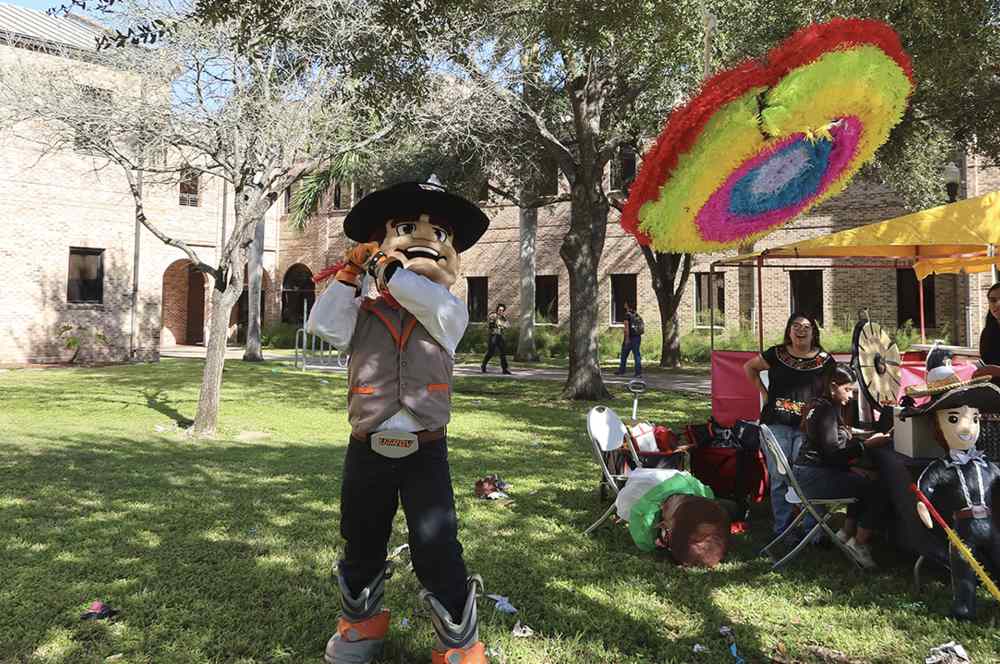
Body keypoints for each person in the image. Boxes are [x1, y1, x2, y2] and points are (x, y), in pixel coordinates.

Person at [307, 179, 491, 664]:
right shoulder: (362, 310)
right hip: (367, 446)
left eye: (439, 233)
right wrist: (350, 271)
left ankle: (458, 644)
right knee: (361, 535)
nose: (425, 239)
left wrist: (386, 266)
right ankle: (359, 627)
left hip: (424, 449)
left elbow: (415, 292)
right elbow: (323, 324)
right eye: (406, 229)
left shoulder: (449, 309)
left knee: (437, 545)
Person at [743, 312, 834, 538]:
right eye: (796, 326)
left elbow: (834, 388)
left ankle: (812, 530)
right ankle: (783, 530)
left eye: (806, 326)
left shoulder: (825, 360)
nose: (801, 330)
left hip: (809, 428)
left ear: (814, 332)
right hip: (777, 424)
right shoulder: (776, 353)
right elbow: (749, 367)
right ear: (789, 330)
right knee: (780, 476)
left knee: (808, 476)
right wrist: (764, 393)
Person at [794, 363, 893, 568]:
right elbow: (833, 455)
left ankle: (845, 534)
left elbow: (829, 448)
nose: (850, 396)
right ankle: (859, 543)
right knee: (878, 490)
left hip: (805, 474)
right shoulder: (827, 410)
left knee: (862, 481)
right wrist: (866, 446)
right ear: (832, 387)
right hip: (814, 478)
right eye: (847, 389)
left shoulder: (817, 404)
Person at [973, 282, 1000, 388]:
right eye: (993, 300)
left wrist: (997, 371)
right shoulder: (988, 332)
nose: (998, 304)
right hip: (992, 389)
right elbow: (985, 363)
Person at [480, 303, 511, 374]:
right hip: (493, 336)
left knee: (503, 353)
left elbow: (508, 325)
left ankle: (505, 369)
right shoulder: (493, 315)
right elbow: (491, 324)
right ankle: (483, 365)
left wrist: (502, 324)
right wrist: (500, 324)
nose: (501, 311)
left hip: (500, 336)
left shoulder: (503, 318)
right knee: (490, 352)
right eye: (500, 310)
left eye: (502, 310)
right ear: (497, 310)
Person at [615, 302, 643, 377]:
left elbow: (626, 328)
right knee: (637, 355)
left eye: (625, 303)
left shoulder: (627, 315)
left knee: (624, 354)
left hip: (630, 337)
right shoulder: (636, 314)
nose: (624, 304)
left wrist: (627, 339)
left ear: (627, 305)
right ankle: (638, 373)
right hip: (637, 337)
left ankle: (621, 371)